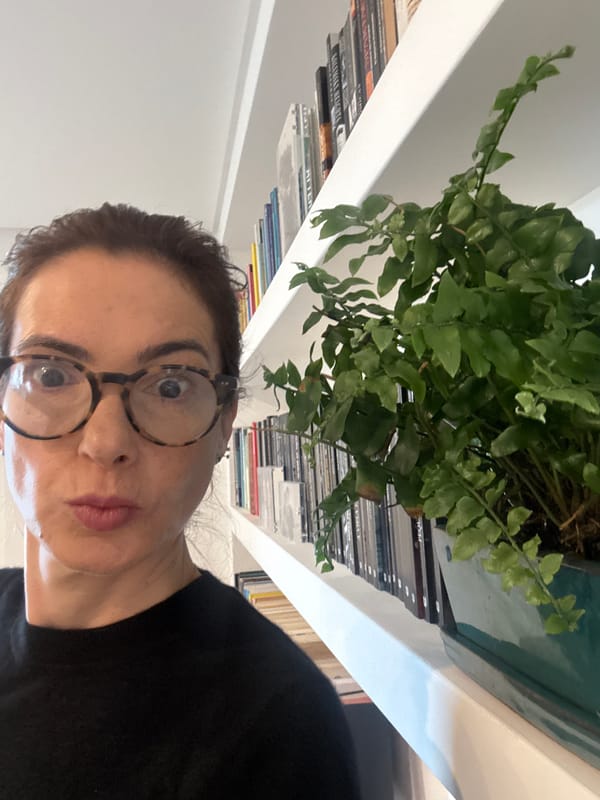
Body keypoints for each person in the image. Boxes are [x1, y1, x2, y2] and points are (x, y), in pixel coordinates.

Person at [0, 203, 361, 799]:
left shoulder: (280, 725)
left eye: (170, 385)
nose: (107, 442)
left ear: (224, 425)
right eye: (53, 375)